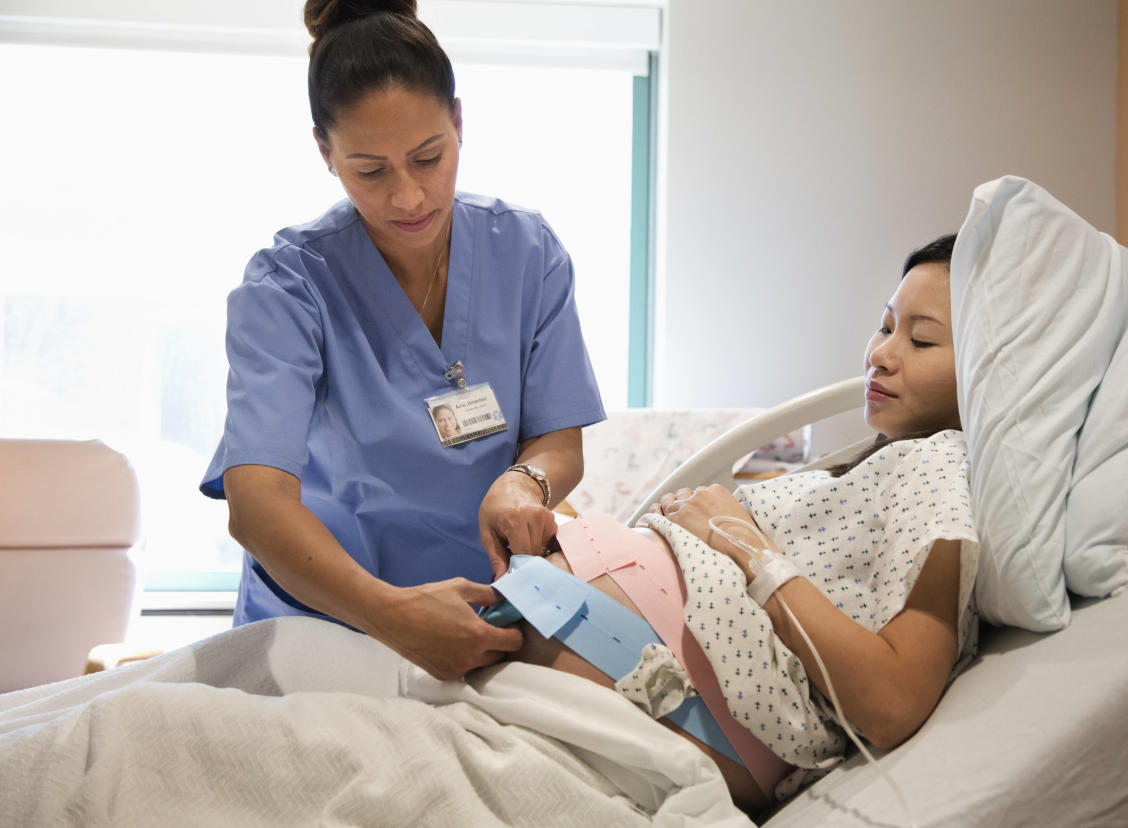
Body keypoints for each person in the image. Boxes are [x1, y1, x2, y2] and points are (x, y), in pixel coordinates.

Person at [199, 0, 605, 681]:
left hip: (485, 617)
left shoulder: (527, 253)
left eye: (428, 157)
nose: (410, 196)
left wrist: (522, 480)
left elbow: (559, 440)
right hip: (324, 621)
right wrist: (391, 616)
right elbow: (257, 503)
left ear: (459, 123)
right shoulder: (290, 286)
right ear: (326, 155)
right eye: (371, 171)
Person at [499, 234, 975, 813]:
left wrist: (746, 545)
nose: (882, 353)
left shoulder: (942, 465)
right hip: (588, 649)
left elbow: (894, 700)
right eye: (885, 326)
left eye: (922, 339)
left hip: (662, 689)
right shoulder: (880, 468)